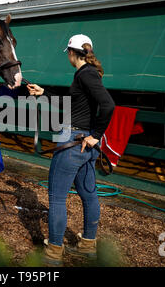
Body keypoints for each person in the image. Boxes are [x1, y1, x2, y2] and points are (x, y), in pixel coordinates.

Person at [27, 34, 115, 266]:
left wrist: (96, 136)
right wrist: (43, 93)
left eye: (67, 52)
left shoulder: (85, 74)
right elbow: (69, 106)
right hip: (83, 144)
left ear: (72, 52)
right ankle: (87, 246)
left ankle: (54, 253)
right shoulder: (86, 74)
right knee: (88, 194)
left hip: (73, 140)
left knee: (56, 197)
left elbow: (108, 105)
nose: (67, 55)